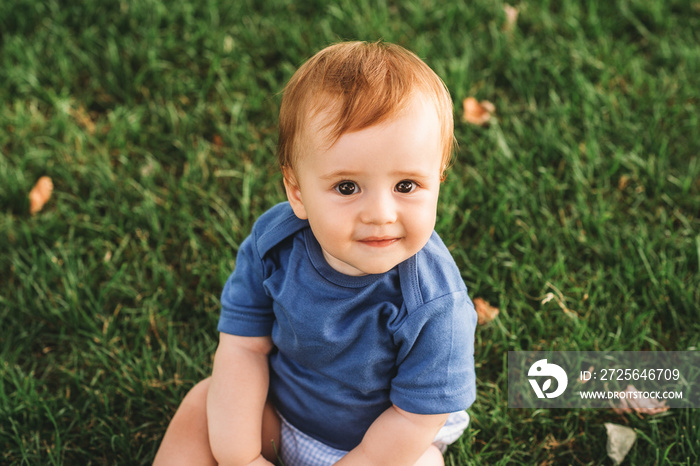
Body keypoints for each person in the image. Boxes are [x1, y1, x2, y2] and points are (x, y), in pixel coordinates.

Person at [154, 40, 477, 466]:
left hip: (381, 444)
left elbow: (415, 419)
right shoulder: (276, 244)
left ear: (438, 179)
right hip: (282, 417)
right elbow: (243, 348)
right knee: (202, 402)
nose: (381, 215)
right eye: (347, 187)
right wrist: (242, 457)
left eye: (406, 186)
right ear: (297, 192)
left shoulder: (436, 304)